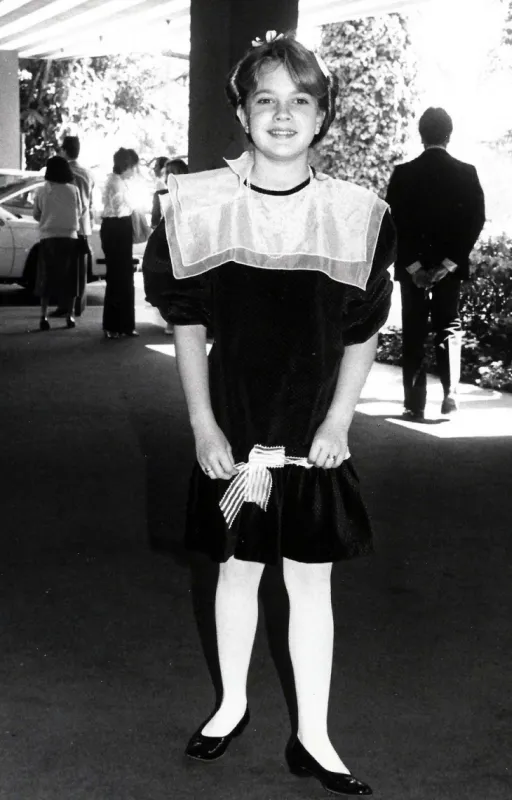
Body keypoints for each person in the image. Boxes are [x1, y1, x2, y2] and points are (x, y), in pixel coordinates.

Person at [144, 32, 395, 797]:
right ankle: (231, 705)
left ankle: (313, 735)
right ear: (242, 112)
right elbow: (188, 325)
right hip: (235, 431)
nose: (282, 115)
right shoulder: (200, 204)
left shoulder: (355, 213)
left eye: (300, 101)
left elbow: (361, 330)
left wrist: (338, 423)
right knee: (236, 567)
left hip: (313, 436)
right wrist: (202, 425)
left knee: (310, 580)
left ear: (321, 117)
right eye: (266, 100)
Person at [385, 107, 486, 420]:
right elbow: (475, 221)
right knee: (449, 325)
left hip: (412, 269)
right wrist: (448, 264)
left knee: (414, 329)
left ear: (421, 135)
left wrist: (414, 268)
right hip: (449, 269)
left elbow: (393, 224)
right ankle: (450, 395)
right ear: (449, 135)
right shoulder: (466, 172)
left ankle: (414, 403)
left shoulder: (403, 174)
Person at [33, 155, 82, 331]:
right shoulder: (73, 190)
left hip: (48, 238)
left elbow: (36, 214)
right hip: (70, 238)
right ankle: (70, 316)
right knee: (70, 279)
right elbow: (80, 212)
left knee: (46, 278)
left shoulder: (41, 190)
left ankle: (43, 316)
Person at [51, 135, 95, 318]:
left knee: (65, 269)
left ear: (64, 150)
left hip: (67, 226)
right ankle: (79, 306)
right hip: (84, 226)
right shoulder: (88, 173)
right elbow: (90, 202)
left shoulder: (63, 172)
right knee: (80, 269)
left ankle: (64, 306)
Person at [100, 147, 140, 339]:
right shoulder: (116, 183)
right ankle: (116, 325)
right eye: (133, 166)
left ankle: (121, 325)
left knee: (121, 277)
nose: (134, 171)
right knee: (119, 277)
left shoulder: (117, 181)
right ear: (127, 165)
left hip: (115, 227)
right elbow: (120, 207)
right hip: (117, 227)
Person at [147, 158, 189, 334]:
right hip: (183, 242)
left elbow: (154, 221)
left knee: (168, 282)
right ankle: (178, 320)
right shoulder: (191, 193)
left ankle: (171, 320)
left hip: (166, 242)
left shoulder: (161, 195)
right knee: (181, 282)